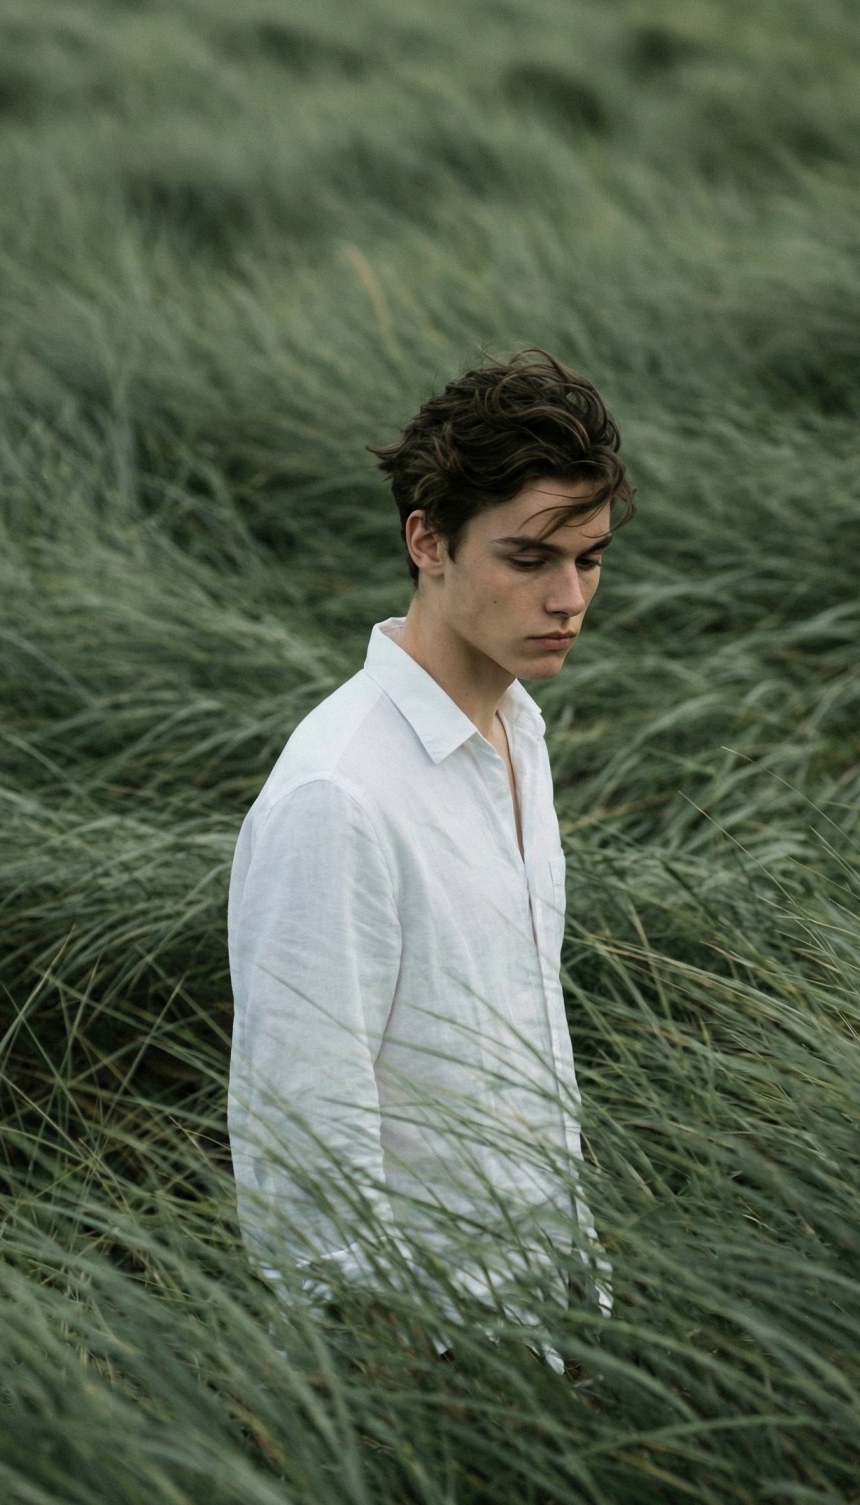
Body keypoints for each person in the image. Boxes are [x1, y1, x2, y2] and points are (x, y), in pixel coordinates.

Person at [226, 345, 635, 1374]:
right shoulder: (339, 796)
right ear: (429, 542)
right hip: (435, 1367)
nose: (569, 599)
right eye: (530, 559)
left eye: (589, 558)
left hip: (555, 1321)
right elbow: (301, 1148)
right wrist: (402, 1386)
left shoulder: (522, 733)